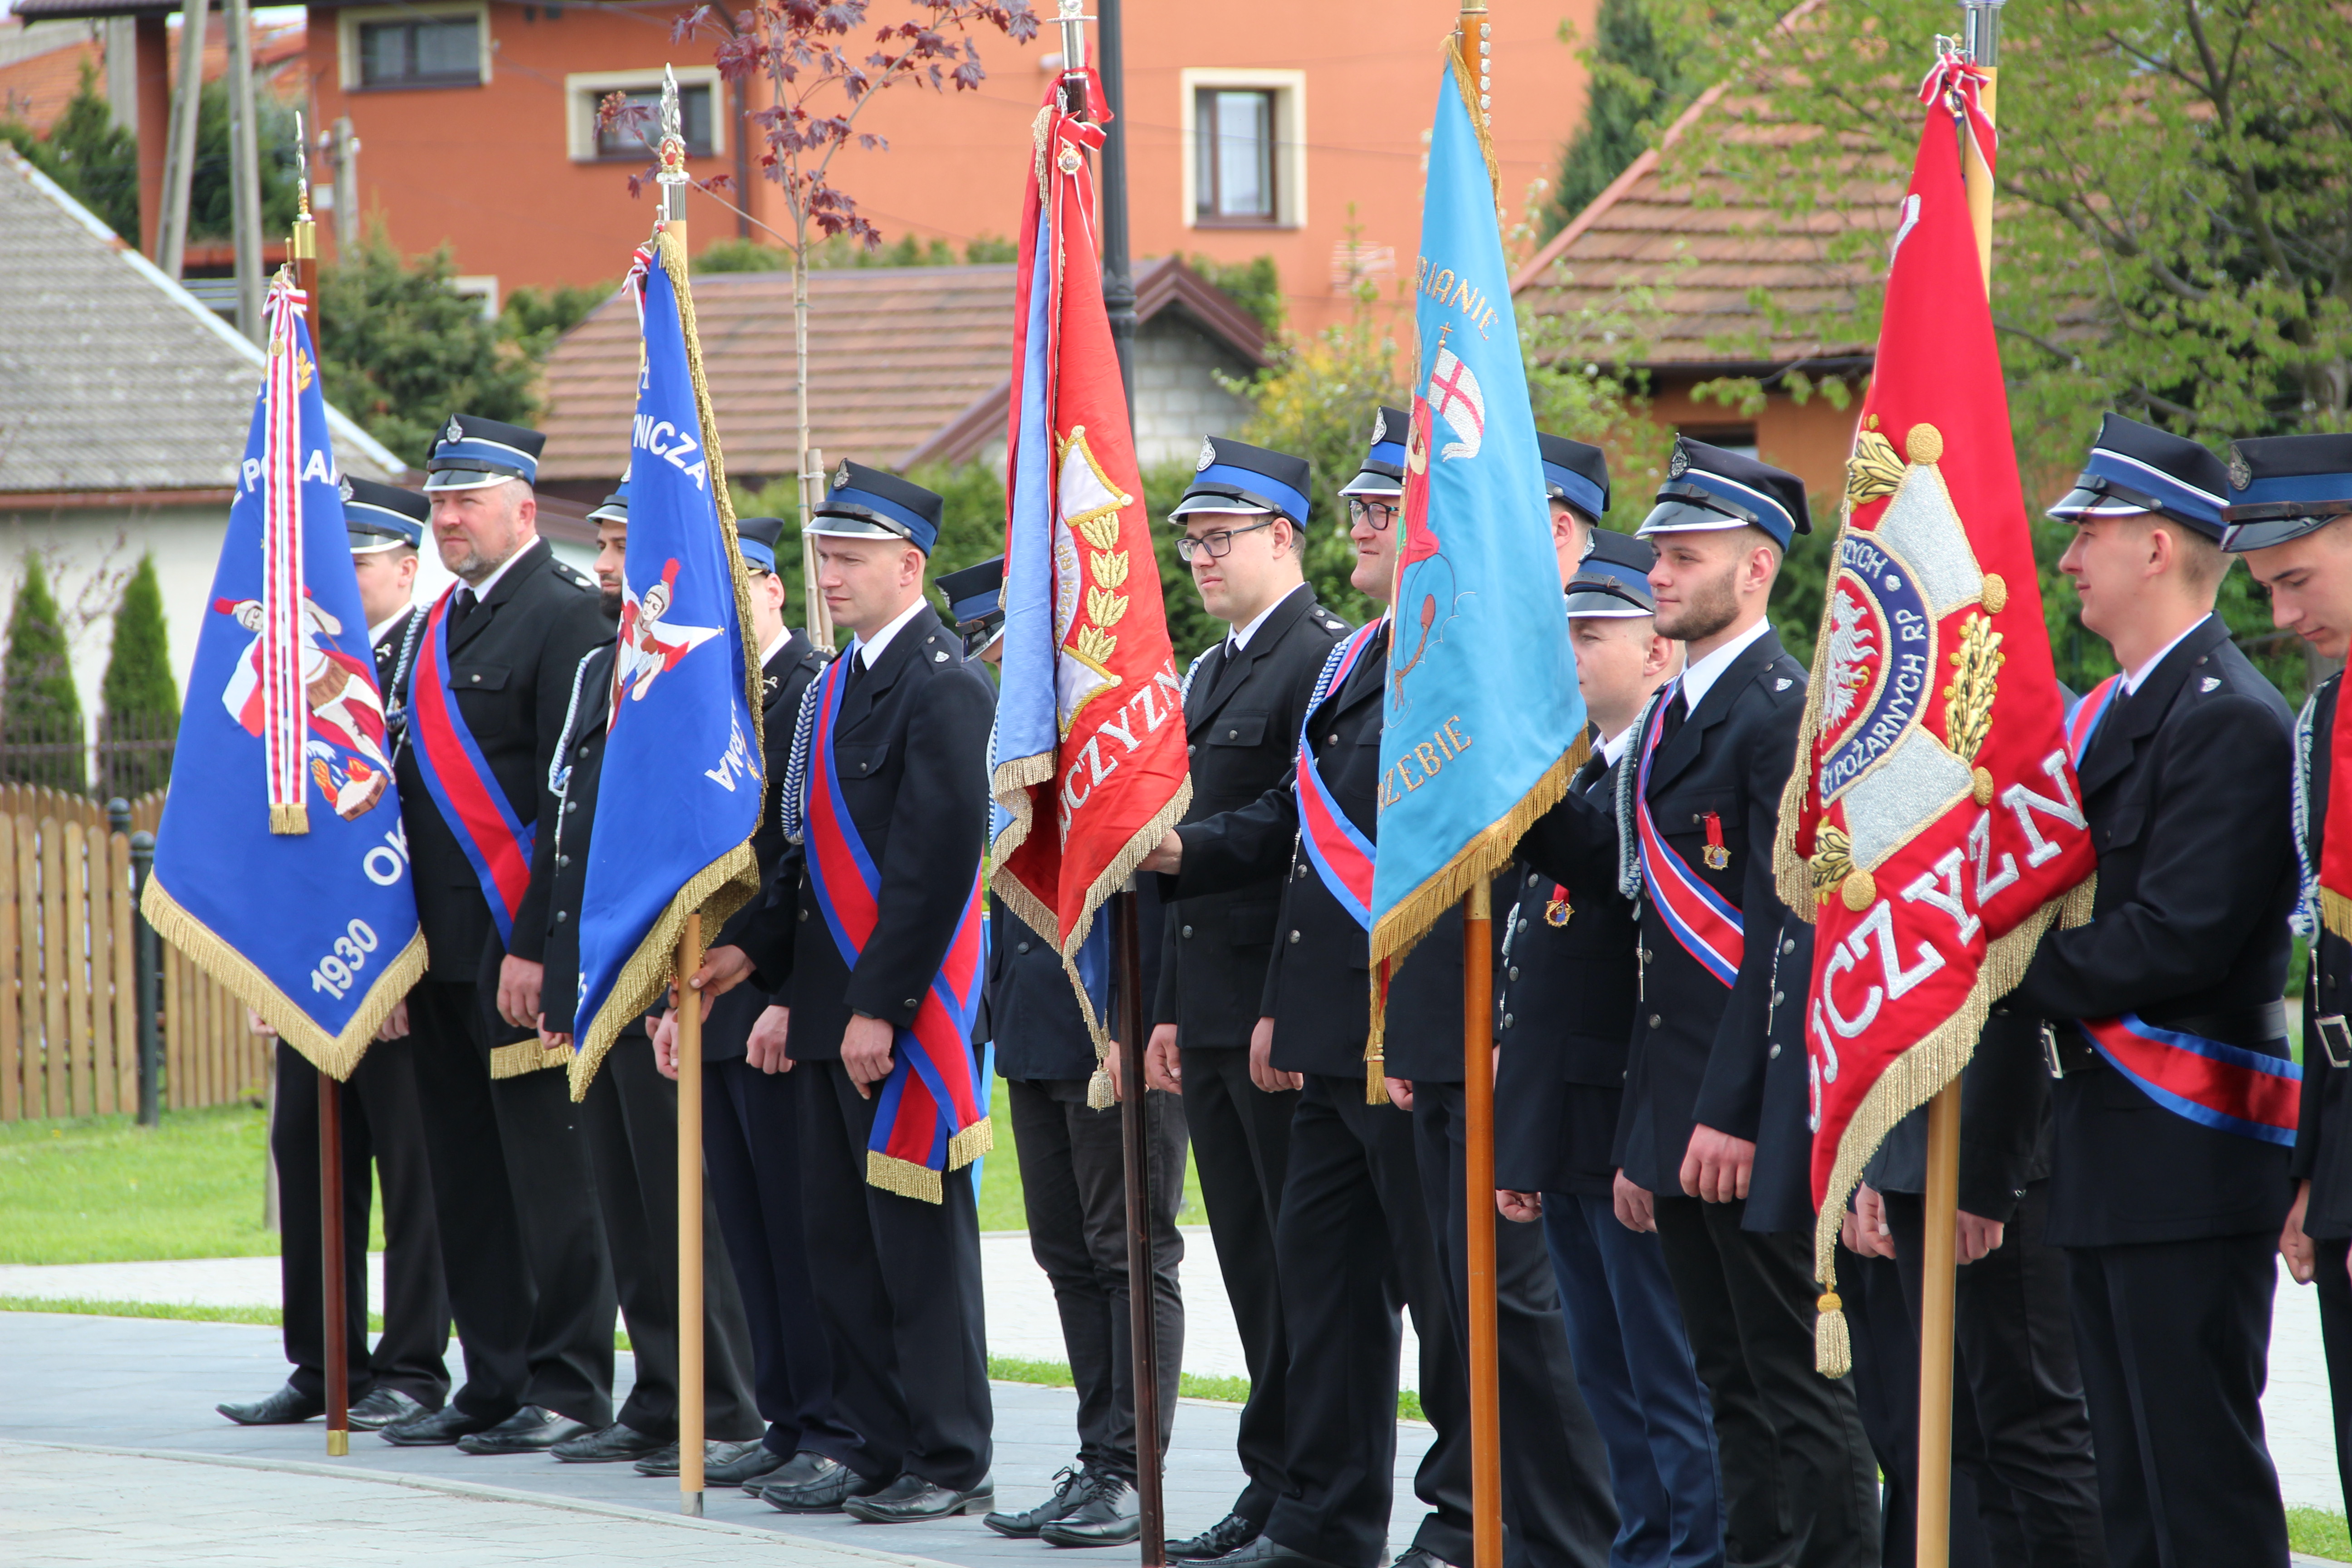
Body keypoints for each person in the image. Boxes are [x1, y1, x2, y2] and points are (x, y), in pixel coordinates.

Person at [1522, 437, 1877, 1568]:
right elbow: (1638, 922)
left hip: (1753, 1117)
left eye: (1684, 555)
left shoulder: (1783, 716)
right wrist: (1509, 784)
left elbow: (1789, 941)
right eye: (1660, 552)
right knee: (1726, 1385)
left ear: (1757, 568)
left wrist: (1726, 1114)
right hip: (1678, 1117)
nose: (1659, 572)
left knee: (1795, 1389)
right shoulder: (1673, 720)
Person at [1142, 435, 1479, 1568]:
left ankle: (1459, 1515)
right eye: (1360, 506)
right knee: (1307, 1282)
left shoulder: (1369, 656)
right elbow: (1299, 848)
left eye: (1385, 506)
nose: (1364, 524)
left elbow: (1350, 845)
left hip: (1390, 1025)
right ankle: (1313, 1514)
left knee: (1431, 1291)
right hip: (1306, 1016)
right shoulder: (1344, 663)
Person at [679, 461, 1000, 1522]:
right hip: (824, 1010)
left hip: (895, 1021)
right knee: (841, 1246)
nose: (830, 575)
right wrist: (746, 955)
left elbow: (932, 868)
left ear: (909, 566)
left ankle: (946, 1456)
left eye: (851, 558)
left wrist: (880, 1007)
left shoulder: (944, 686)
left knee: (914, 1248)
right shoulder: (832, 688)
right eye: (824, 556)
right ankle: (872, 1441)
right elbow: (802, 860)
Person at [2013, 413, 2298, 1567]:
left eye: (2090, 533)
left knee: (2196, 1484)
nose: (2069, 557)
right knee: (2128, 1487)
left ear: (2158, 546)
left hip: (2188, 1152)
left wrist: (1996, 965)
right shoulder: (2119, 711)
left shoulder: (2227, 717)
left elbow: (2174, 939)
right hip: (2107, 1145)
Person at [1366, 421, 1621, 1568]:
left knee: (1529, 1311)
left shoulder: (1585, 663)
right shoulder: (1470, 649)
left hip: (1530, 1043)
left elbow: (1570, 877)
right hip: (1445, 1028)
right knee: (1462, 1306)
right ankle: (1493, 1520)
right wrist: (1413, 1033)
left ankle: (1569, 1539)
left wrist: (1504, 1031)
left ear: (1559, 532)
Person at [377, 414, 619, 1454]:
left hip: (513, 949)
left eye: (465, 500)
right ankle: (494, 1377)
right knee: (465, 1176)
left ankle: (568, 1382)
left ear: (524, 507)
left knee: (549, 1175)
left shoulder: (565, 618)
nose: (447, 519)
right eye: (439, 501)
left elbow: (569, 800)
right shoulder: (434, 629)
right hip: (435, 950)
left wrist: (537, 946)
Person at [1495, 521, 1725, 1568]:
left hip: (1632, 1125)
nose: (1571, 652)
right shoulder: (1592, 774)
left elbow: (1616, 889)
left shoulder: (1661, 776)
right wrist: (1526, 1142)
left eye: (1591, 633)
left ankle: (1688, 1554)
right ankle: (1639, 1549)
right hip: (1571, 1129)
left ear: (1658, 652)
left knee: (1667, 1381)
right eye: (1565, 632)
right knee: (1608, 1382)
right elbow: (1537, 982)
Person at [527, 482, 764, 1469]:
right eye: (604, 545)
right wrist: (562, 977)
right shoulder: (602, 666)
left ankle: (727, 1404)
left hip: (675, 974)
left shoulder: (708, 666)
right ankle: (663, 1391)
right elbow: (570, 830)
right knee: (629, 1202)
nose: (607, 564)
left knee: (686, 1205)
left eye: (625, 546)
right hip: (606, 972)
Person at [1142, 433, 1348, 1562]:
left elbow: (1301, 841)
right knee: (1249, 1266)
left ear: (1283, 536)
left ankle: (1306, 1486)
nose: (1200, 559)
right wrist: (1169, 1008)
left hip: (1275, 1008)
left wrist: (1277, 1006)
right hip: (1212, 1010)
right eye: (1190, 542)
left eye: (1219, 538)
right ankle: (1272, 1482)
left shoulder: (1318, 659)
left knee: (1302, 1271)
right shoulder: (1212, 669)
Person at [217, 477, 452, 1434]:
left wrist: (398, 964)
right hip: (314, 966)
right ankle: (324, 1364)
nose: (339, 582)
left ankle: (414, 1367)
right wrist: (273, 959)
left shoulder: (430, 660)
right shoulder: (302, 670)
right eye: (329, 565)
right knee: (310, 1157)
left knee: (414, 1169)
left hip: (399, 967)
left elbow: (435, 831)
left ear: (406, 567)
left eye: (356, 564)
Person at [642, 513, 849, 1493]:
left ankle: (828, 1419)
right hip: (711, 991)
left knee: (800, 1226)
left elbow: (808, 865)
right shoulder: (703, 692)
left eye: (743, 583)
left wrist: (789, 993)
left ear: (772, 589)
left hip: (773, 1000)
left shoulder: (811, 687)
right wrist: (663, 1000)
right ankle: (785, 1414)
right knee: (747, 1226)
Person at [1843, 999, 2103, 1568]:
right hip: (1914, 1150)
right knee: (1968, 1439)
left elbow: (2012, 998)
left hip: (1992, 1155)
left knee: (2034, 1436)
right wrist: (1877, 1162)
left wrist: (1987, 1171)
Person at [2229, 434, 2352, 1527]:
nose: (2281, 614)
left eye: (2296, 579)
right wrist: (2315, 1169)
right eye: (2267, 588)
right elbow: (2329, 984)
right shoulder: (2324, 722)